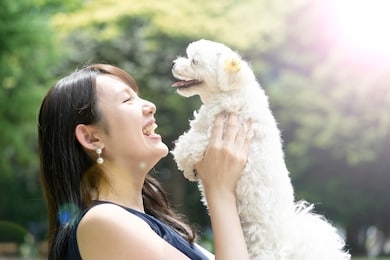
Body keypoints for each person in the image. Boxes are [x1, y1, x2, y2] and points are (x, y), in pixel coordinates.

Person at [38, 63, 250, 259]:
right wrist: (219, 191)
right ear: (92, 138)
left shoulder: (149, 222)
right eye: (127, 100)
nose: (150, 106)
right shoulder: (102, 222)